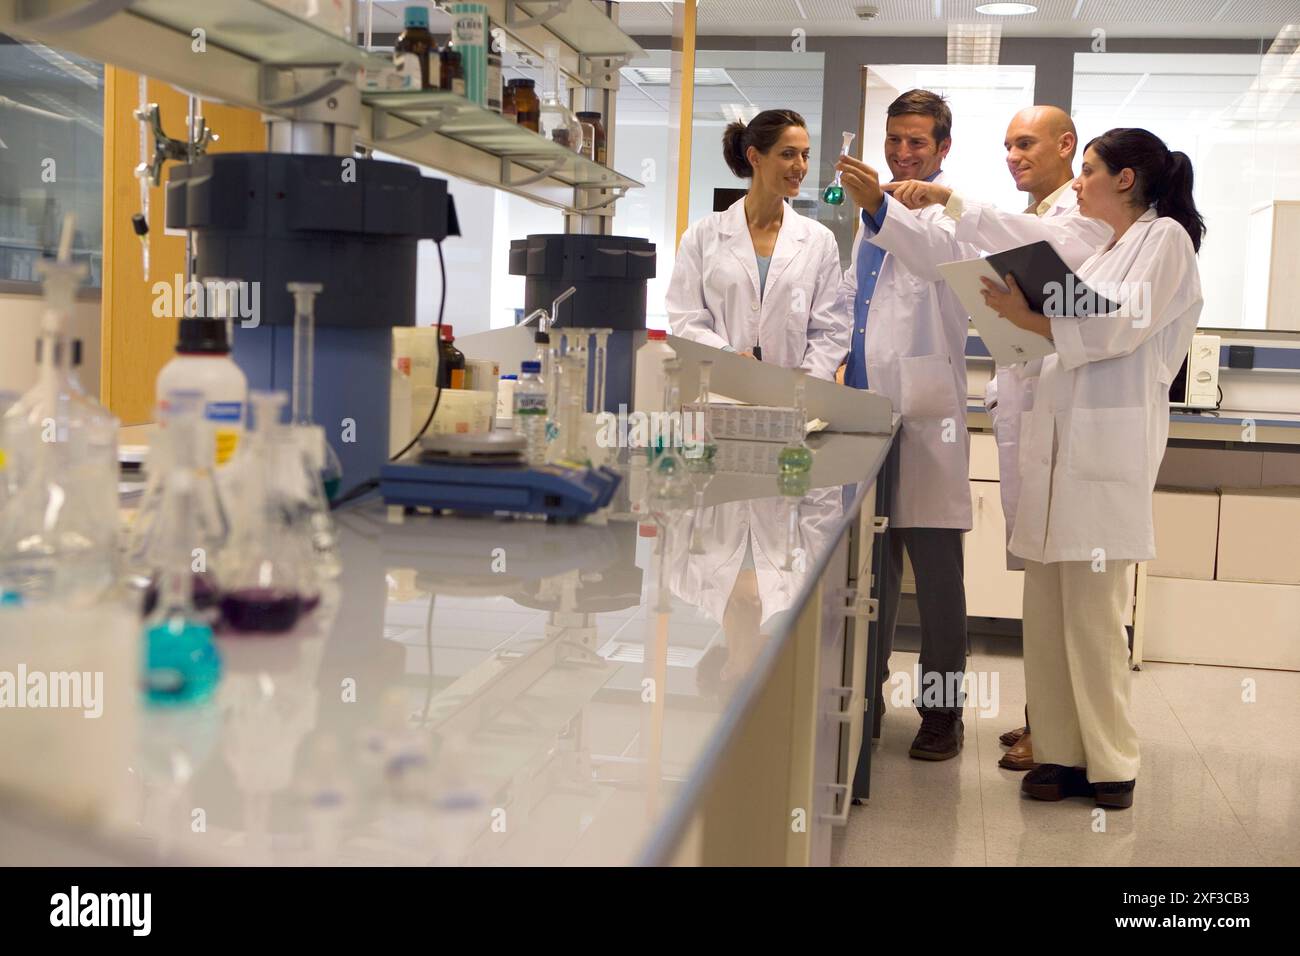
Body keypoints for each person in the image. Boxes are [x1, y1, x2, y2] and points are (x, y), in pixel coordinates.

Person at [881, 105, 1112, 772]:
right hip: (942, 417)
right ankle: (1046, 719)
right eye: (1007, 144)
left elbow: (1034, 276)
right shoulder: (1034, 214)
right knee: (1041, 588)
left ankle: (970, 718)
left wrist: (936, 204)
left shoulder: (1064, 218)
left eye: (1027, 143)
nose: (1014, 155)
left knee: (983, 588)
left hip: (963, 422)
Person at [979, 128, 1204, 809]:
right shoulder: (1104, 248)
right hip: (1055, 451)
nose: (1076, 184)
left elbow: (1114, 327)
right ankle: (1059, 751)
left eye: (1088, 171)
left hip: (1105, 455)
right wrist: (1016, 320)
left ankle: (1111, 762)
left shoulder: (1165, 241)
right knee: (1045, 612)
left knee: (1095, 620)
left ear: (1126, 179)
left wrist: (1032, 315)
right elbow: (1071, 327)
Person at [833, 90, 979, 761]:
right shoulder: (874, 218)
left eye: (917, 141)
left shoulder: (950, 216)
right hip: (866, 412)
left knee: (938, 578)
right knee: (869, 573)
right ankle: (863, 696)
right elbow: (855, 302)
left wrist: (878, 206)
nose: (901, 152)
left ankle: (942, 716)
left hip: (926, 420)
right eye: (894, 139)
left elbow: (926, 254)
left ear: (943, 148)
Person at [667, 109, 849, 380]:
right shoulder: (702, 236)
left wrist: (805, 385)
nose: (800, 166)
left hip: (795, 397)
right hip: (721, 385)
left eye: (805, 155)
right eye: (788, 154)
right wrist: (728, 356)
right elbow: (686, 318)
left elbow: (830, 330)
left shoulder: (819, 241)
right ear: (755, 157)